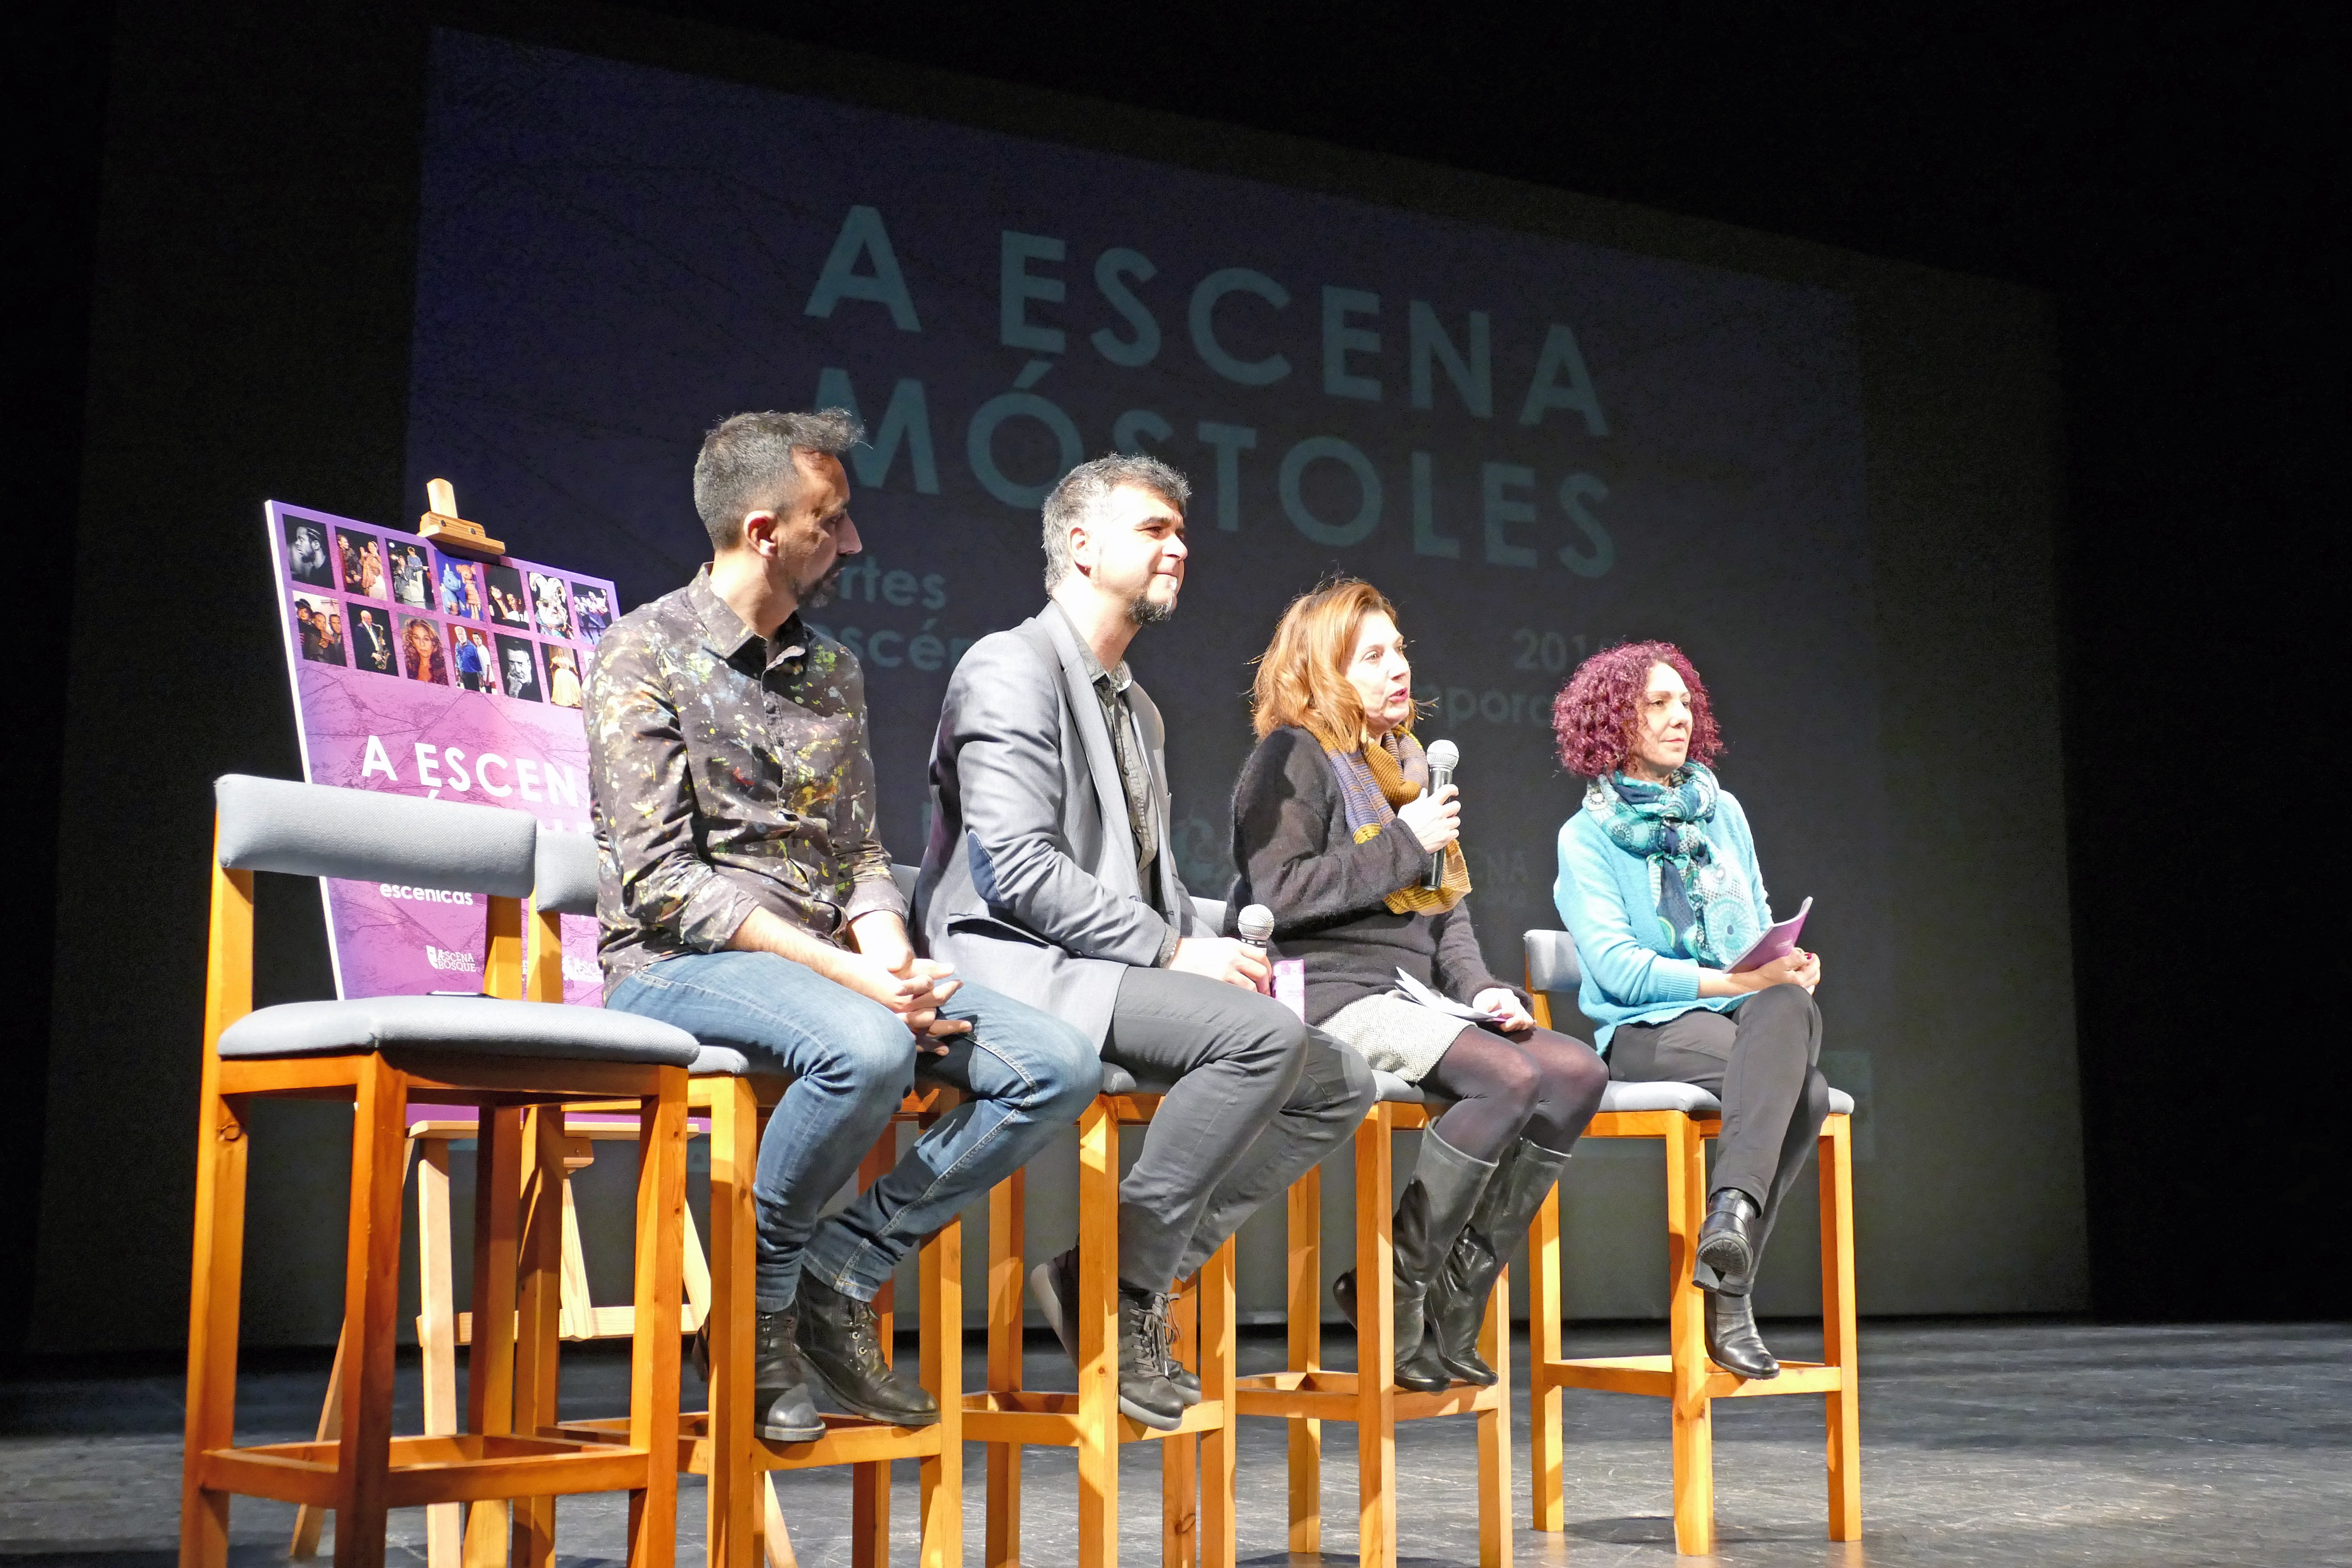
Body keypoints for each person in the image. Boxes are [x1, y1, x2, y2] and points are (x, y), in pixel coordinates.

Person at [589, 409, 1096, 1444]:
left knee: (1056, 1065)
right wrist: (855, 983)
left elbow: (858, 853)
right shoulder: (642, 651)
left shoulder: (832, 671)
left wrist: (892, 960)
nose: (852, 542)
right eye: (830, 520)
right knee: (865, 1048)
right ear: (763, 531)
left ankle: (842, 1270)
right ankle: (758, 1310)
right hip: (677, 962)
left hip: (830, 969)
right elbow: (662, 883)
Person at [919, 453, 1377, 1430]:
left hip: (1101, 962)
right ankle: (1124, 1290)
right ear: (1080, 545)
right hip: (1013, 967)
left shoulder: (1137, 708)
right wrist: (1173, 953)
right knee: (1255, 1039)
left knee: (1338, 1078)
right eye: (1152, 529)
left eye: (1179, 530)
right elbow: (1019, 870)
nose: (1178, 547)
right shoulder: (1009, 667)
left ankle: (1115, 1267)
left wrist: (1230, 938)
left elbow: (1148, 889)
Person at [1228, 579, 1608, 1390]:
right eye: (1373, 656)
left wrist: (1482, 990)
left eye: (1398, 650)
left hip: (1410, 994)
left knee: (1576, 1071)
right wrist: (1405, 842)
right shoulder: (1292, 757)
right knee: (1507, 1077)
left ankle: (1457, 1291)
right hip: (1325, 991)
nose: (1398, 667)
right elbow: (1277, 893)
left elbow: (1446, 919)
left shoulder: (1406, 766)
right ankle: (1392, 1287)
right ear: (1323, 670)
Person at [1551, 641, 1827, 1380]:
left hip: (1744, 1020)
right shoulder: (1586, 837)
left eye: (1684, 702)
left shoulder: (1722, 812)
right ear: (1614, 721)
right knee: (1806, 1092)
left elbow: (1759, 923)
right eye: (1657, 704)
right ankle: (1730, 1293)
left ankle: (1728, 1221)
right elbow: (1619, 970)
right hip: (1646, 1034)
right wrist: (1741, 983)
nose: (1680, 717)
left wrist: (1786, 967)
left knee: (1787, 1008)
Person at [403, 619, 446, 683]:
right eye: (417, 638)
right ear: (412, 641)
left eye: (426, 639)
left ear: (434, 643)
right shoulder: (407, 666)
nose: (422, 644)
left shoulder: (445, 668)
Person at [355, 609, 392, 673]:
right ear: (364, 618)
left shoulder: (372, 628)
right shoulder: (360, 629)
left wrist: (381, 642)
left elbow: (374, 641)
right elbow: (361, 645)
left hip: (377, 654)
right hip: (369, 658)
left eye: (371, 619)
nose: (371, 621)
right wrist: (372, 654)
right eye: (369, 619)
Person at [452, 627, 485, 691]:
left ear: (465, 635)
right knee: (467, 691)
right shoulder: (457, 645)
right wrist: (457, 668)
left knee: (476, 692)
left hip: (472, 674)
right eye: (459, 635)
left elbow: (477, 661)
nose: (461, 637)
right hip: (463, 673)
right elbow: (457, 657)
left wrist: (481, 676)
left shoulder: (472, 647)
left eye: (462, 634)